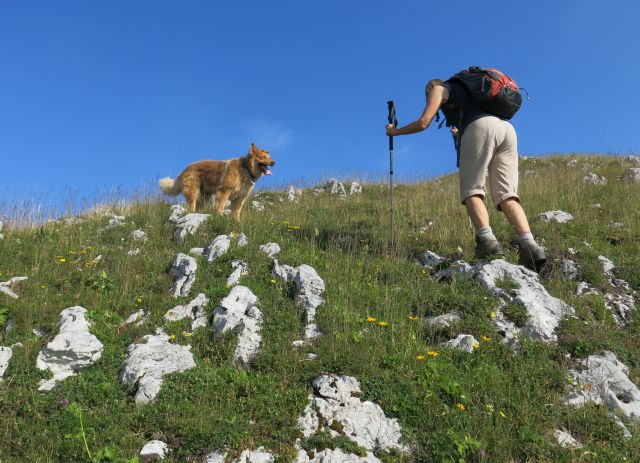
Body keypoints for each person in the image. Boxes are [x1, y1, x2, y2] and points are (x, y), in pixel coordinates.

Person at [385, 78, 546, 271]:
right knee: (507, 196)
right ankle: (530, 246)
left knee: (472, 191)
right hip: (507, 130)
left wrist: (395, 132)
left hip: (480, 127)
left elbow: (424, 122)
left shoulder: (439, 88)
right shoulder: (473, 92)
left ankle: (488, 242)